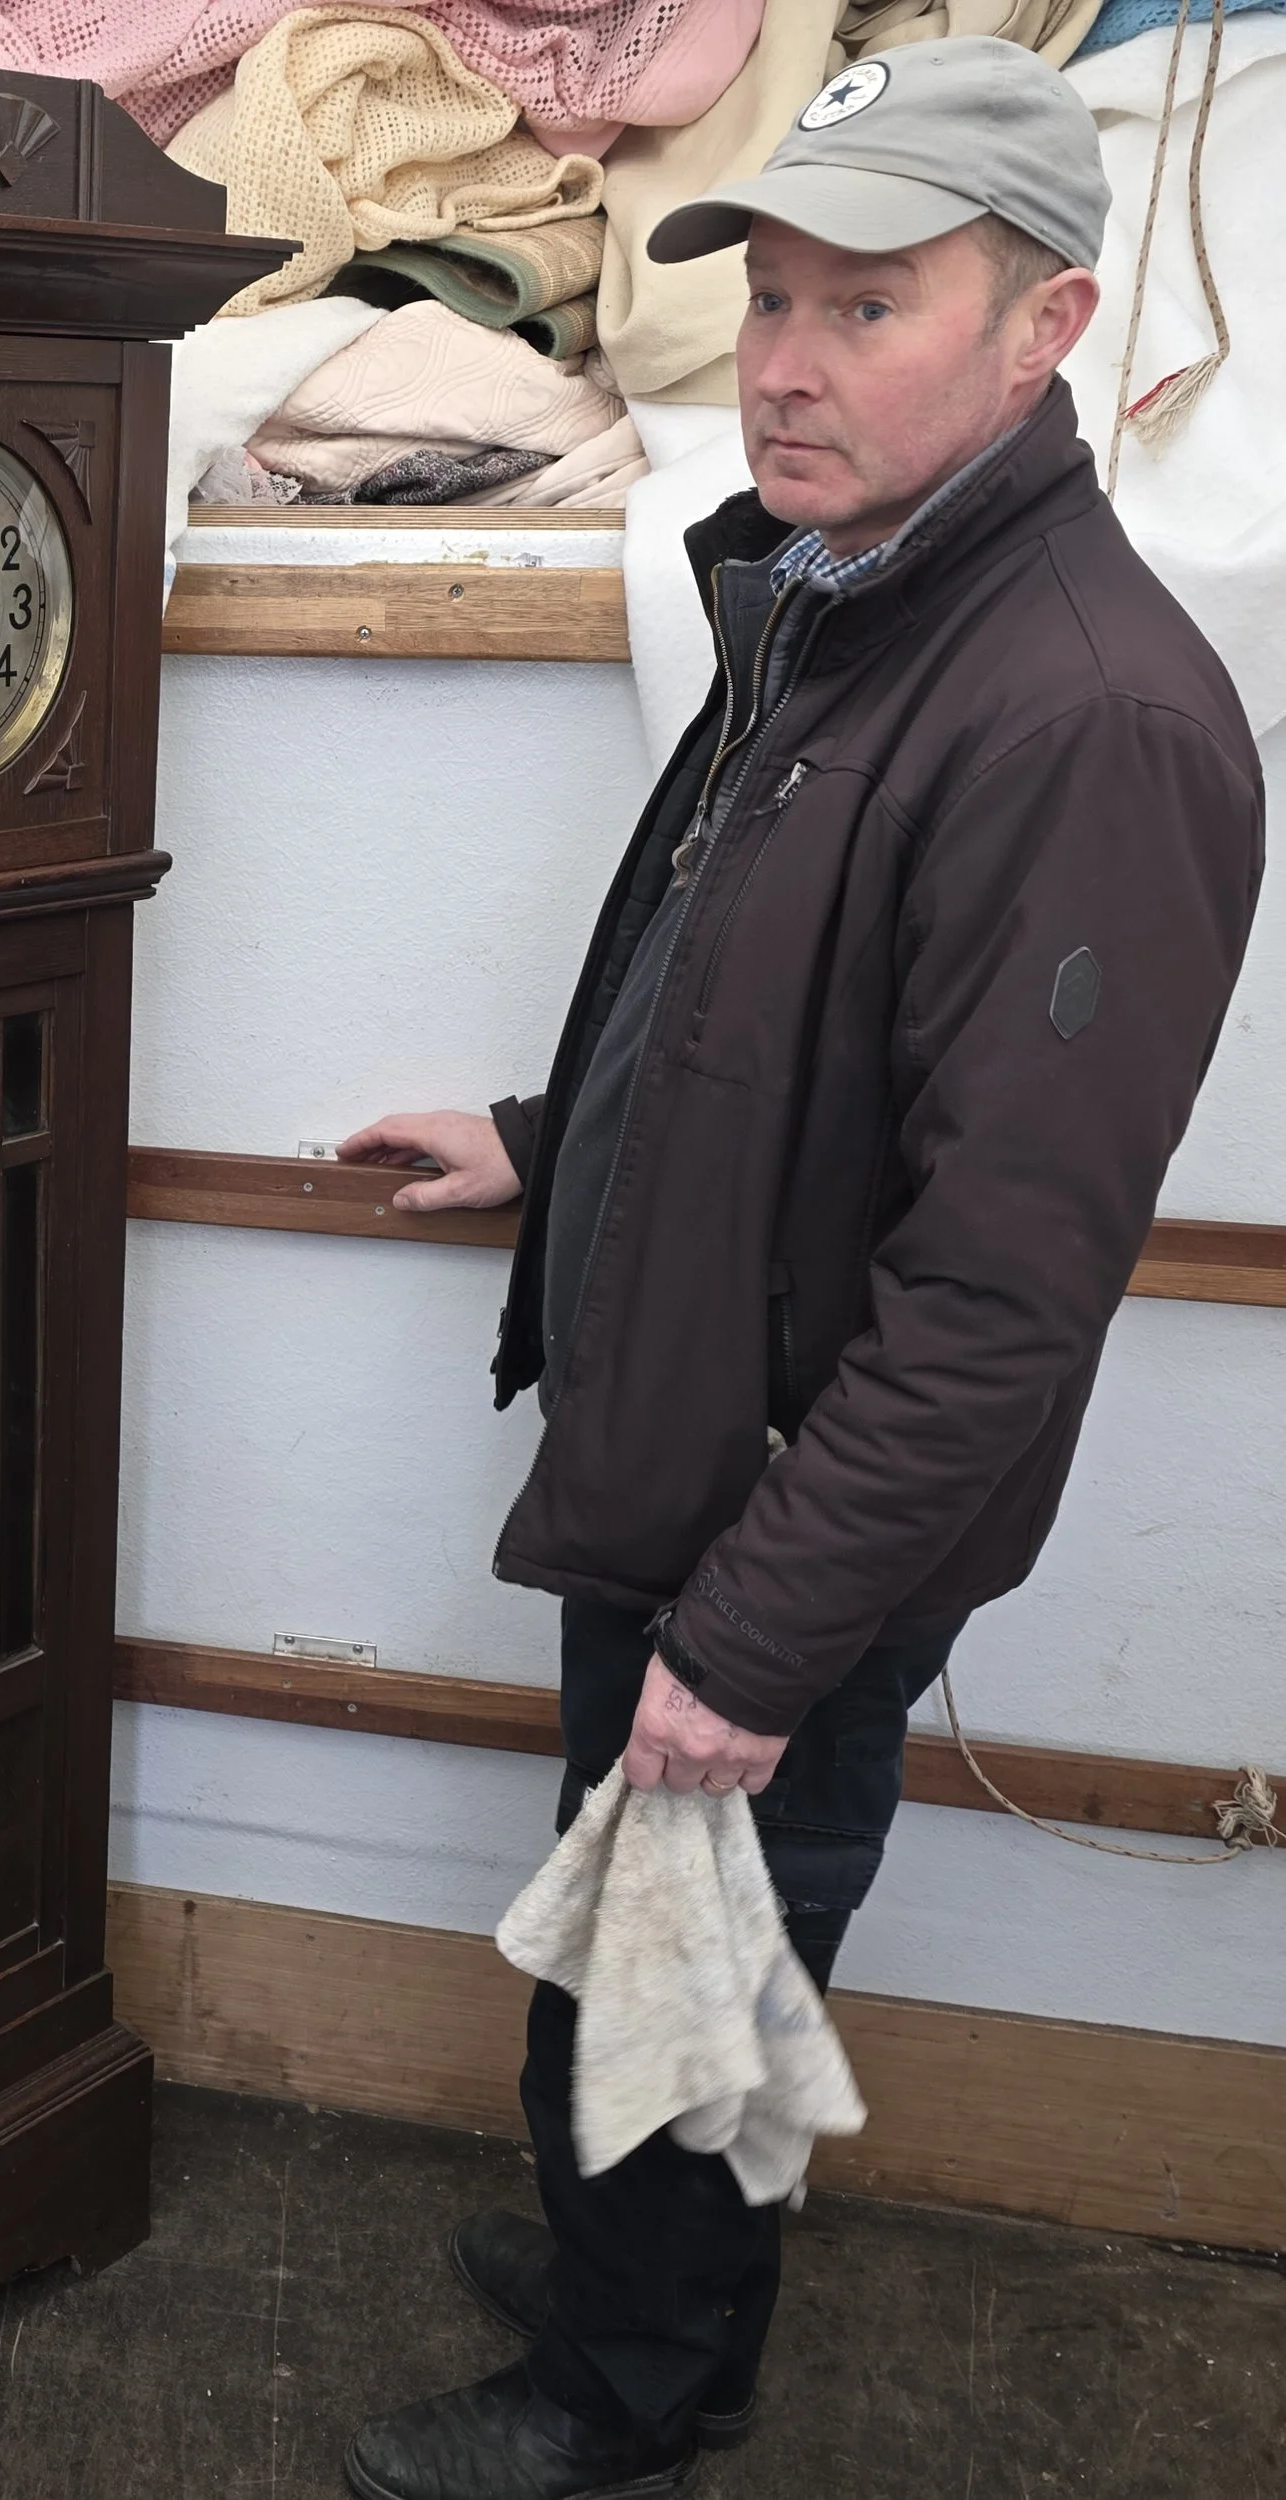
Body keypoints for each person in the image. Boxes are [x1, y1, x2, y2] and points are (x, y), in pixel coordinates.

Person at [333, 37, 1264, 2500]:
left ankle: (638, 2393)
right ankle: (626, 2270)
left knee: (686, 1961)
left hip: (784, 1519)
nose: (782, 359)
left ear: (1047, 322)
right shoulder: (842, 597)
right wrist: (547, 1142)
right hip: (689, 1442)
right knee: (633, 1910)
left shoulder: (1083, 715)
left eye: (867, 307)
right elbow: (771, 1020)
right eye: (767, 298)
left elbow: (991, 1288)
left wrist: (751, 1638)